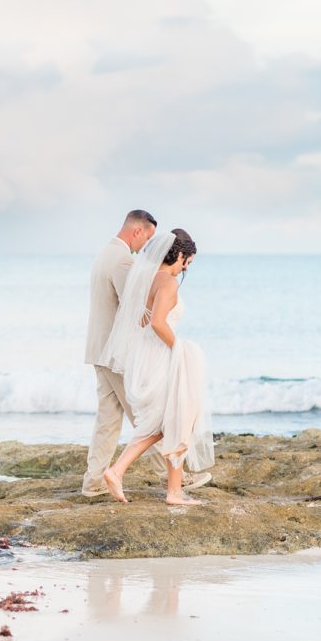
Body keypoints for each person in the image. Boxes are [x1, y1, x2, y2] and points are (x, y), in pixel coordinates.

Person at [82, 213, 211, 497]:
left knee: (109, 420)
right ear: (137, 231)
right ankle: (171, 479)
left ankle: (94, 482)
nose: (150, 246)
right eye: (149, 239)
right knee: (153, 418)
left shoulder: (107, 253)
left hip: (99, 348)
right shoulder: (124, 262)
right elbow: (142, 311)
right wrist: (175, 346)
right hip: (116, 353)